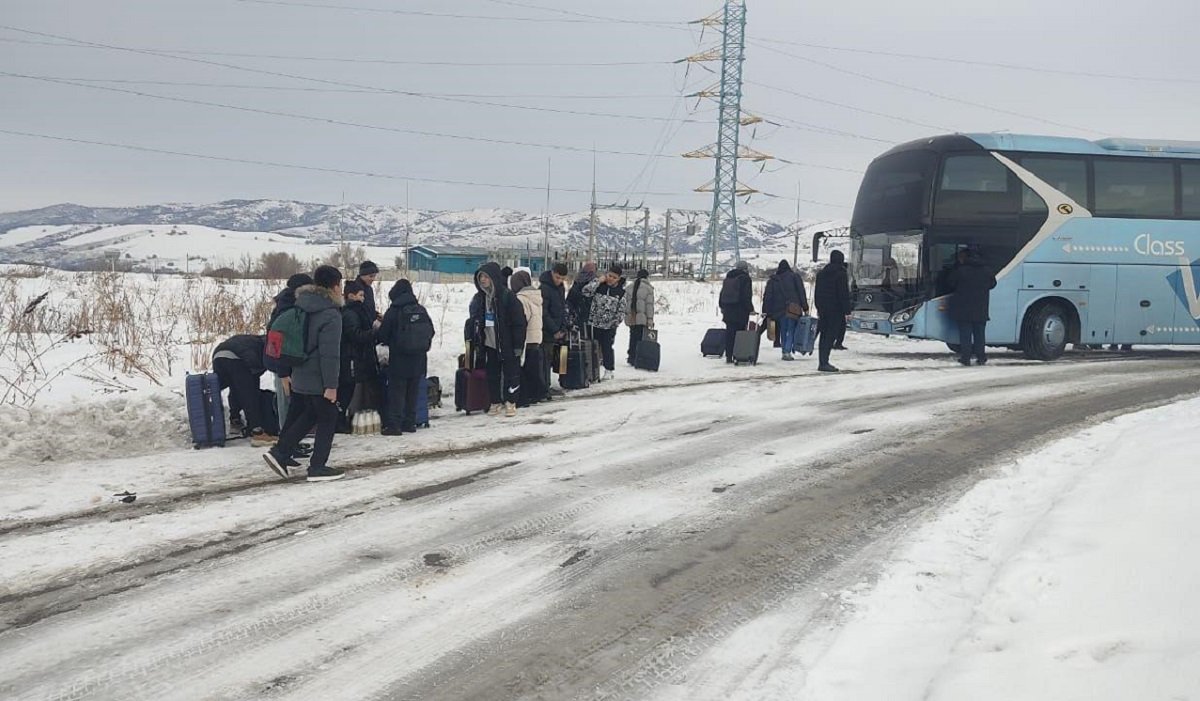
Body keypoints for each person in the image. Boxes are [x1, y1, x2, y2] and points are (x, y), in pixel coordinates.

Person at [264, 265, 346, 482]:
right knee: (328, 416)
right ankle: (317, 467)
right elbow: (330, 354)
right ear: (336, 285)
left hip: (299, 372)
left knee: (310, 414)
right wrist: (331, 385)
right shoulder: (331, 314)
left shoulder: (302, 304)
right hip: (319, 377)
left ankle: (280, 452)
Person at [469, 262, 527, 418]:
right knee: (492, 374)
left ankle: (511, 401)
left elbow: (519, 323)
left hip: (507, 343)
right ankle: (495, 401)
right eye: (480, 277)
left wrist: (518, 346)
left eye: (486, 277)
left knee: (511, 374)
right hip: (489, 343)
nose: (482, 280)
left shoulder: (507, 297)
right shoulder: (480, 298)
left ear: (493, 278)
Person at [377, 279, 433, 434]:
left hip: (400, 359)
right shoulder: (420, 309)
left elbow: (383, 335)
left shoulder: (394, 311)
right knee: (412, 391)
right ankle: (410, 423)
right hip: (419, 359)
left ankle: (394, 425)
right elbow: (431, 331)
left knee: (397, 392)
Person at [266, 273, 312, 427]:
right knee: (286, 398)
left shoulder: (287, 304)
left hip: (285, 359)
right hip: (282, 361)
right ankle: (286, 435)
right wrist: (283, 372)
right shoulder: (287, 309)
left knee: (288, 397)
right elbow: (277, 341)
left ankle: (290, 434)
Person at [212, 334, 274, 446]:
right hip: (236, 359)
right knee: (249, 394)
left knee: (235, 387)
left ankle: (235, 420)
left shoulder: (254, 340)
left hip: (218, 355)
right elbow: (254, 377)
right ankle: (257, 432)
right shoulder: (267, 346)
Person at [337, 279, 381, 431]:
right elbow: (355, 335)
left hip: (358, 356)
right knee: (346, 390)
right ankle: (340, 421)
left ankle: (344, 420)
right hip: (352, 357)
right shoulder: (350, 313)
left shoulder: (358, 311)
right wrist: (374, 332)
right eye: (361, 295)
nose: (363, 298)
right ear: (351, 296)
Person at [946, 248, 997, 366]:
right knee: (979, 334)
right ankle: (981, 357)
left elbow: (950, 283)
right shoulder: (986, 270)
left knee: (966, 335)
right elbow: (993, 284)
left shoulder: (961, 271)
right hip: (981, 308)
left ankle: (966, 358)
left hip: (964, 308)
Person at [582, 264, 627, 380]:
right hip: (594, 323)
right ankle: (592, 368)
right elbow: (586, 291)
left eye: (614, 277)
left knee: (607, 347)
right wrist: (598, 281)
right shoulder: (599, 286)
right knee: (593, 347)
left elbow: (621, 310)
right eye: (609, 275)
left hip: (609, 326)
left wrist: (615, 323)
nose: (611, 279)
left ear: (618, 279)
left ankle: (609, 370)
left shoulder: (621, 292)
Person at [814, 250, 852, 372]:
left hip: (823, 309)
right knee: (831, 336)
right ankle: (824, 362)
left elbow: (817, 293)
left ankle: (822, 360)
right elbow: (843, 294)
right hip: (836, 310)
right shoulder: (841, 274)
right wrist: (847, 310)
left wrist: (819, 307)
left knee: (824, 335)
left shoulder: (821, 274)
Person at [511, 270, 544, 407]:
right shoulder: (535, 296)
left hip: (527, 339)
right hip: (536, 338)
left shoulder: (521, 299)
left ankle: (524, 397)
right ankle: (536, 395)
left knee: (523, 370)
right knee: (533, 370)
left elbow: (522, 320)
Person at [539, 263, 569, 399]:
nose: (559, 281)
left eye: (562, 279)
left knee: (552, 359)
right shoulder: (544, 288)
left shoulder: (561, 288)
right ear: (552, 273)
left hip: (558, 329)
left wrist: (563, 326)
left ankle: (548, 385)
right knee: (545, 360)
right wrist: (554, 329)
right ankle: (544, 388)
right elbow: (543, 313)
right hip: (547, 331)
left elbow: (562, 308)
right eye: (557, 277)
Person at [718, 260, 755, 364]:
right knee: (740, 334)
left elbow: (722, 294)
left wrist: (722, 306)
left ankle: (728, 356)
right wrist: (750, 308)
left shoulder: (728, 278)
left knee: (729, 333)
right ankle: (739, 354)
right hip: (740, 311)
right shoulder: (745, 279)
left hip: (728, 311)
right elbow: (746, 296)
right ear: (745, 269)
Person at [773, 259, 809, 361]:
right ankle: (788, 351)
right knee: (792, 329)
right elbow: (801, 292)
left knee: (783, 331)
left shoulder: (775, 279)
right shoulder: (794, 277)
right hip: (793, 308)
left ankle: (784, 350)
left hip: (780, 309)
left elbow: (771, 295)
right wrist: (805, 307)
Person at [625, 269, 655, 366]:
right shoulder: (648, 288)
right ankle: (640, 357)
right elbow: (649, 306)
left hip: (632, 317)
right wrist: (650, 319)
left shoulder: (629, 287)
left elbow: (625, 304)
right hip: (643, 318)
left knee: (632, 337)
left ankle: (631, 357)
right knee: (641, 338)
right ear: (646, 277)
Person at [567, 262, 597, 332]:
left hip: (579, 316)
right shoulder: (595, 283)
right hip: (586, 317)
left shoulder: (577, 281)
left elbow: (569, 302)